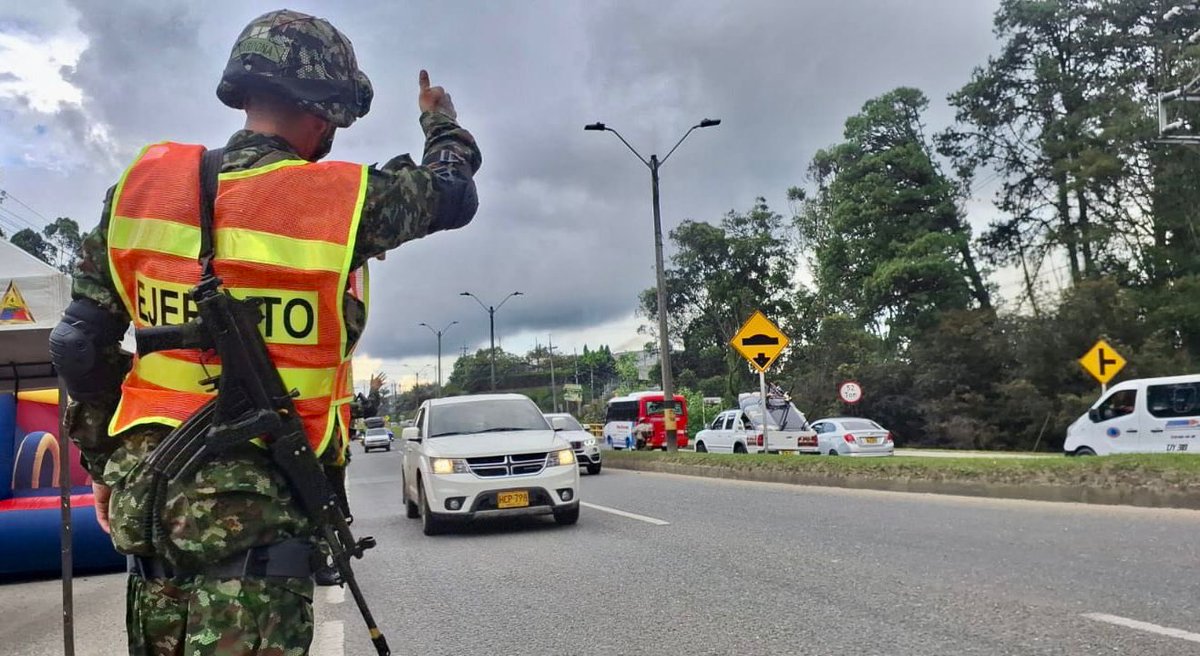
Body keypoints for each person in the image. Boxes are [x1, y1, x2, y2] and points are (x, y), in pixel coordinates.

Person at [50, 9, 481, 655]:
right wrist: (438, 118)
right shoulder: (338, 202)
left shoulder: (139, 189)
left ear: (245, 90)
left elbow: (78, 346)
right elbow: (453, 190)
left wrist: (103, 464)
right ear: (328, 109)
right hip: (256, 534)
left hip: (151, 525)